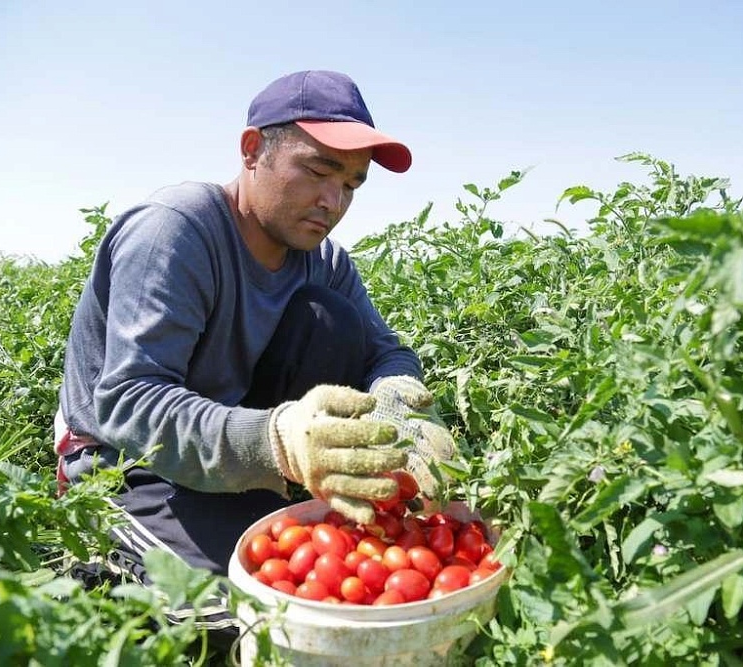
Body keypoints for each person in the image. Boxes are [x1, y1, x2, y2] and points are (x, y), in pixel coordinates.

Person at [54, 70, 455, 633]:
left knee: (330, 318)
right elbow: (128, 403)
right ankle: (105, 554)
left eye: (351, 185)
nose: (332, 200)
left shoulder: (325, 262)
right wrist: (280, 439)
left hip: (237, 454)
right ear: (252, 150)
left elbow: (385, 352)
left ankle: (258, 497)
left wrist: (398, 398)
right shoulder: (176, 230)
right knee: (247, 615)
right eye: (318, 170)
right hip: (128, 465)